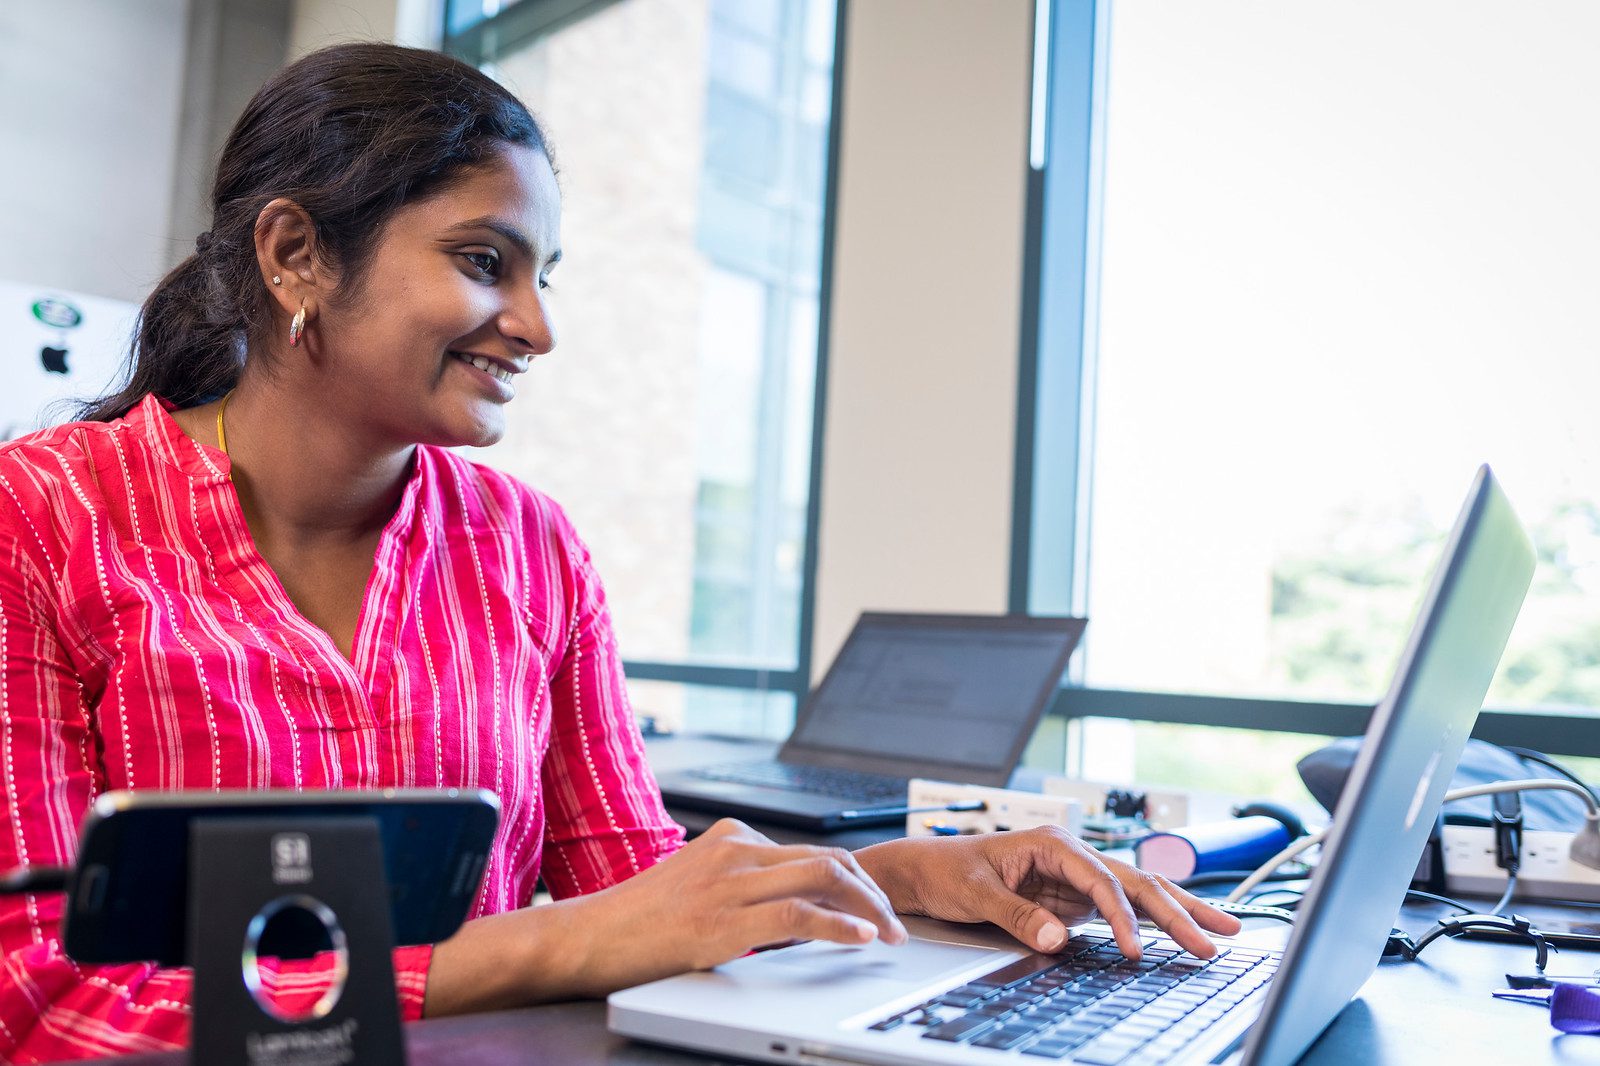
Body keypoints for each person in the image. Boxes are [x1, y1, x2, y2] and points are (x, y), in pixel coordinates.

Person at [0, 42, 1239, 1061]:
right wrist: (547, 945)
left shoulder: (530, 551)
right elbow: (46, 1009)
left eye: (546, 276)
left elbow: (639, 880)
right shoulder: (42, 518)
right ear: (294, 254)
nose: (535, 327)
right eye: (485, 263)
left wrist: (911, 876)